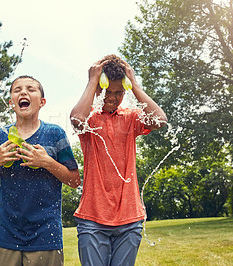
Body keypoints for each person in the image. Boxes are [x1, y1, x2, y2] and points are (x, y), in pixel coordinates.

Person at [70, 55, 167, 265]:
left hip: (130, 218)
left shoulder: (131, 117)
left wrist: (135, 86)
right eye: (107, 92)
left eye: (118, 92)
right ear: (98, 89)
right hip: (92, 219)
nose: (112, 98)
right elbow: (76, 120)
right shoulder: (90, 119)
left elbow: (160, 120)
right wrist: (92, 83)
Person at [0, 75, 80, 266]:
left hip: (46, 235)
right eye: (17, 90)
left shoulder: (55, 134)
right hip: (5, 235)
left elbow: (75, 180)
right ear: (12, 102)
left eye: (31, 89)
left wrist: (46, 162)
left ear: (42, 102)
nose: (23, 92)